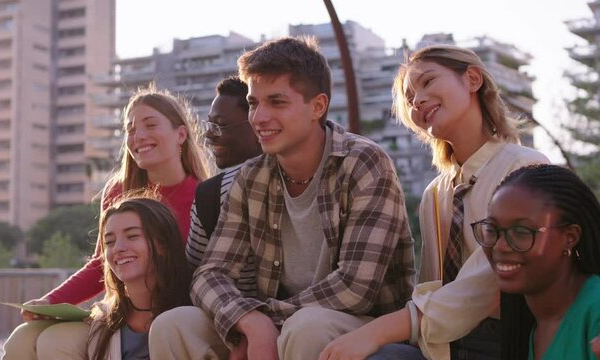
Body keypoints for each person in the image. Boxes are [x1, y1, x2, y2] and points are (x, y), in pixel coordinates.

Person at [148, 36, 415, 360]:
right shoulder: (251, 177)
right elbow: (209, 274)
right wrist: (247, 321)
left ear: (317, 106)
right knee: (173, 324)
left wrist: (265, 321)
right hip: (284, 324)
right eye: (254, 103)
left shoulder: (363, 163)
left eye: (277, 102)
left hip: (365, 329)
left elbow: (355, 289)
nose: (259, 118)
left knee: (305, 327)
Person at [320, 44, 550, 360]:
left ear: (472, 79)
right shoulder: (435, 194)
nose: (418, 100)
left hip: (514, 338)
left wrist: (377, 332)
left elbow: (488, 282)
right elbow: (433, 283)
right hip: (446, 343)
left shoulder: (523, 167)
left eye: (428, 82)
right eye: (410, 98)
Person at [2, 84, 209, 360]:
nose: (139, 136)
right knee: (25, 336)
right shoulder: (118, 192)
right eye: (131, 129)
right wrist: (50, 302)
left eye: (150, 125)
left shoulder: (206, 196)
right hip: (121, 313)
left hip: (175, 319)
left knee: (56, 342)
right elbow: (103, 263)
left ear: (181, 134)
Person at [472, 164, 600, 360]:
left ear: (569, 237)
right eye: (492, 229)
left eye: (521, 231)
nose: (500, 246)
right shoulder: (529, 325)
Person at [87, 195, 192, 360]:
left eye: (132, 236)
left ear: (162, 244)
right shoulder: (102, 324)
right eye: (109, 242)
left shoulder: (194, 316)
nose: (118, 248)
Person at [186, 76, 262, 293]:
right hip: (233, 313)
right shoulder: (209, 195)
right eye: (209, 124)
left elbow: (193, 271)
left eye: (220, 125)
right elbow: (197, 274)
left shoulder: (210, 193)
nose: (209, 134)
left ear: (257, 124)